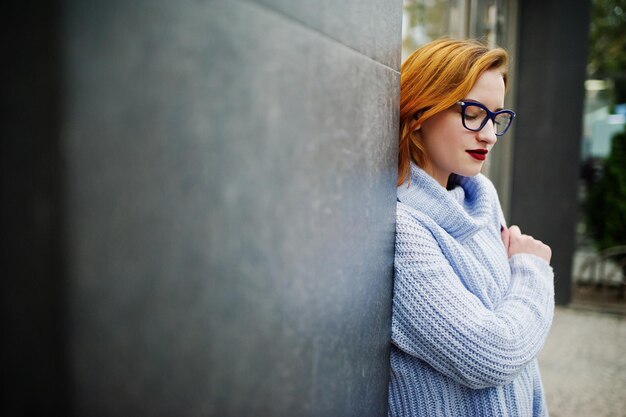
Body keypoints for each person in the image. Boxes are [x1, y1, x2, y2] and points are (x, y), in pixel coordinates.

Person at [388, 39, 555, 417]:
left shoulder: (479, 200)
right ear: (420, 112)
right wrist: (532, 271)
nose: (489, 135)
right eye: (473, 112)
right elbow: (491, 354)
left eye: (496, 118)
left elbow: (523, 370)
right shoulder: (403, 230)